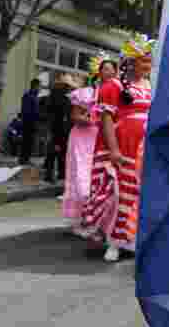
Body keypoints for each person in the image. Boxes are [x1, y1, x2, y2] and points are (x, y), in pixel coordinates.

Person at [80, 43, 152, 263]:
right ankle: (113, 242)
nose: (148, 66)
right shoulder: (113, 86)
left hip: (144, 148)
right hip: (123, 146)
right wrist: (113, 149)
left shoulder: (150, 84)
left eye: (150, 61)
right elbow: (106, 119)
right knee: (118, 194)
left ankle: (131, 240)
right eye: (144, 61)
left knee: (137, 194)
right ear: (130, 62)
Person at [61, 84, 99, 230]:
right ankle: (79, 219)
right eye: (104, 70)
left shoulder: (112, 91)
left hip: (97, 138)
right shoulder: (84, 93)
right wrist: (93, 120)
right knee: (80, 177)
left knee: (94, 177)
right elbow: (75, 117)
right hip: (81, 139)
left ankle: (91, 218)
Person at [43, 74, 73, 183]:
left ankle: (56, 173)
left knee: (58, 151)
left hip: (58, 126)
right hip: (58, 126)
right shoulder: (59, 96)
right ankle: (53, 174)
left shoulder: (58, 95)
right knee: (56, 151)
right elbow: (59, 114)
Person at [19, 79, 41, 165]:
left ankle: (26, 158)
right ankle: (23, 159)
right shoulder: (28, 96)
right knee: (26, 141)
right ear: (35, 86)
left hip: (32, 122)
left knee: (29, 141)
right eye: (39, 87)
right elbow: (27, 111)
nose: (40, 89)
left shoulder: (35, 96)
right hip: (28, 122)